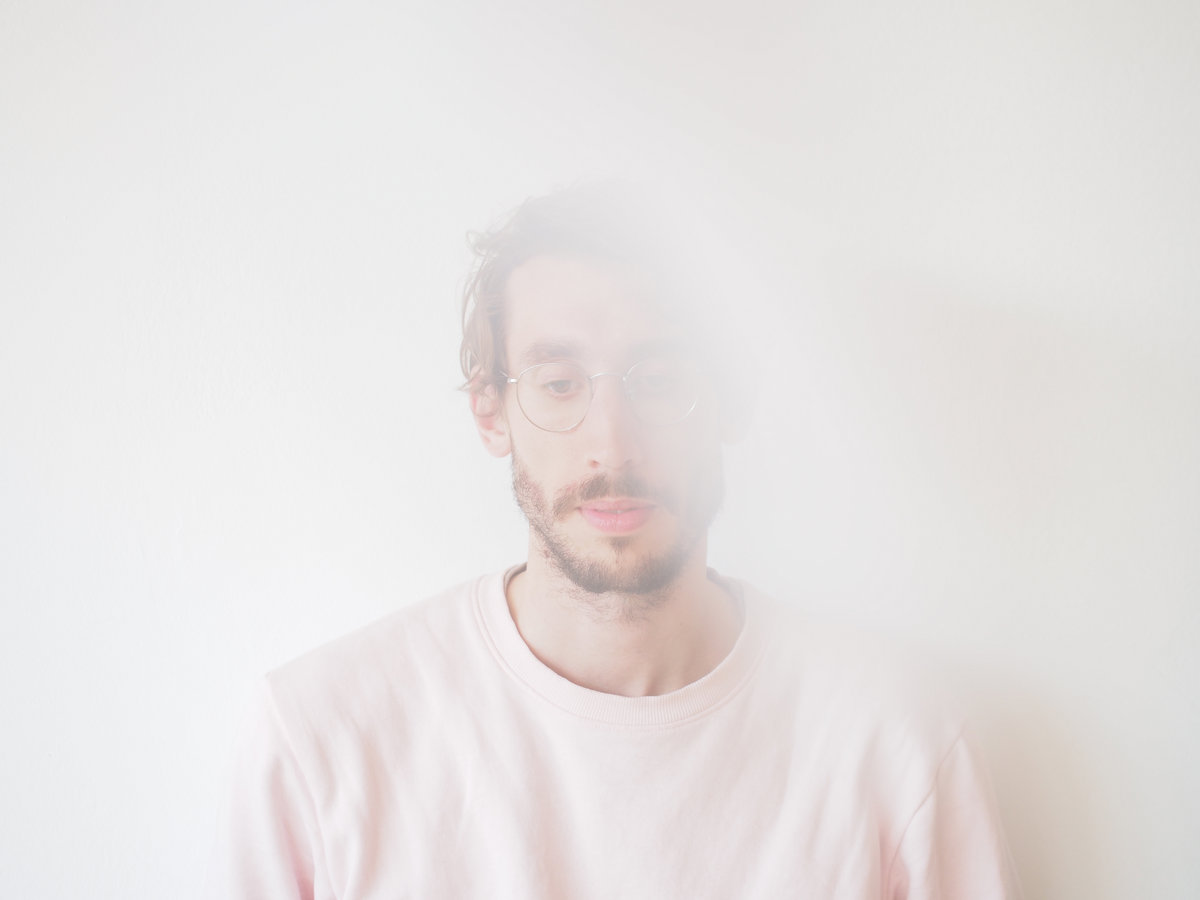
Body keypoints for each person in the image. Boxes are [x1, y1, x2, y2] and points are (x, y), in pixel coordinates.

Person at [212, 184, 1020, 899]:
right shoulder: (320, 740)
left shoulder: (896, 740)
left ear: (730, 398)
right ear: (491, 412)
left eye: (659, 380)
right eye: (560, 383)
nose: (613, 444)